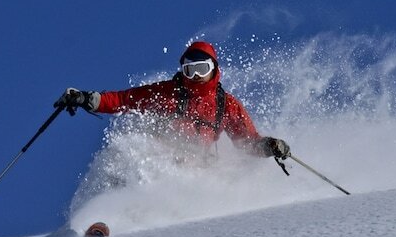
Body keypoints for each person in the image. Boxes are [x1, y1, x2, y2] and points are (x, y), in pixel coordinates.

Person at [55, 41, 290, 160]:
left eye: (201, 68)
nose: (196, 76)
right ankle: (106, 219)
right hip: (160, 157)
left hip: (198, 167)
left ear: (214, 69)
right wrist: (85, 98)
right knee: (124, 154)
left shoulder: (225, 105)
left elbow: (247, 141)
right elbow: (123, 100)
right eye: (190, 70)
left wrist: (270, 146)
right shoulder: (168, 93)